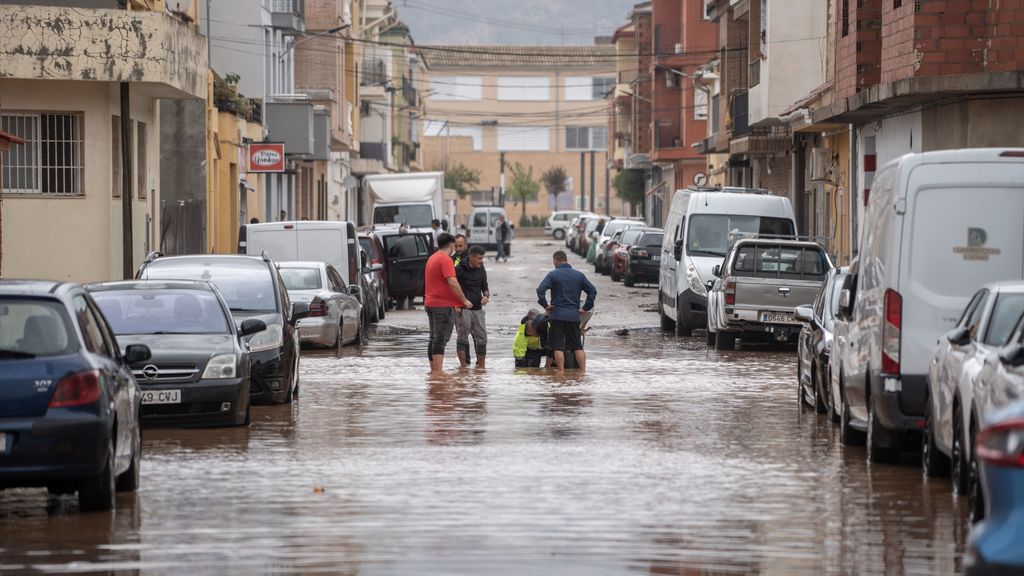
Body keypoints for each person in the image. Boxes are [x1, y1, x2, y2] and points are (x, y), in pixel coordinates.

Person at [536, 250, 597, 372]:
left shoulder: (553, 274)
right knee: (577, 346)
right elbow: (592, 291)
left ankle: (561, 372)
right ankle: (582, 372)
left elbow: (540, 290)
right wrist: (585, 308)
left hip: (557, 316)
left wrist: (545, 305)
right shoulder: (579, 275)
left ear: (556, 261)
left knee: (558, 346)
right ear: (566, 260)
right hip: (574, 316)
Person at [424, 233, 473, 372]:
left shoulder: (432, 258)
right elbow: (452, 281)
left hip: (430, 303)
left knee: (433, 338)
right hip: (442, 306)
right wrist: (463, 300)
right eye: (454, 245)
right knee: (440, 339)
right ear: (451, 245)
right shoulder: (446, 260)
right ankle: (438, 374)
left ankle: (433, 372)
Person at [455, 245, 490, 368]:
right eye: (479, 258)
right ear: (471, 257)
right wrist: (456, 304)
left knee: (482, 339)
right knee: (462, 338)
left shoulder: (481, 268)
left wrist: (486, 296)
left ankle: (481, 368)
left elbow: (485, 287)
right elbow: (452, 287)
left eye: (482, 258)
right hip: (463, 309)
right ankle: (463, 368)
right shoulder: (459, 268)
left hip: (478, 309)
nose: (482, 261)